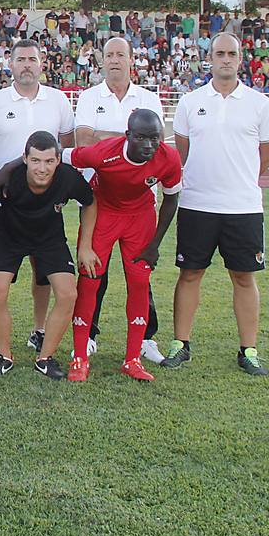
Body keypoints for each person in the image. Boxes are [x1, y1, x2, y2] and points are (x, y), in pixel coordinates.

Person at [166, 33, 269, 376]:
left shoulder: (259, 104)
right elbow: (181, 154)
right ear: (209, 59)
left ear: (240, 59)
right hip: (198, 203)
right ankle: (181, 344)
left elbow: (266, 157)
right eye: (219, 54)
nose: (226, 59)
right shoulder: (190, 103)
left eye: (232, 54)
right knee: (190, 274)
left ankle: (249, 350)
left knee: (244, 277)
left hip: (243, 206)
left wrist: (238, 180)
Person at [64, 109, 182, 382]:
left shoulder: (168, 157)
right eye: (142, 138)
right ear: (128, 135)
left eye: (156, 139)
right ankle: (80, 356)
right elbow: (60, 156)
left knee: (139, 283)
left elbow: (171, 200)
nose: (150, 145)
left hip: (140, 218)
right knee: (90, 279)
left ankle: (132, 359)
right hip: (103, 214)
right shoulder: (102, 153)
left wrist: (154, 244)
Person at [0, 130, 95, 380]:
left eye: (49, 161)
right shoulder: (7, 179)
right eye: (36, 160)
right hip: (9, 237)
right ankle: (4, 356)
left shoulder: (68, 178)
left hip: (49, 239)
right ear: (25, 158)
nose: (42, 168)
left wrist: (86, 245)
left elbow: (89, 203)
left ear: (58, 160)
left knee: (69, 294)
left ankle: (44, 358)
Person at [72, 36, 167, 364]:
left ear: (131, 60)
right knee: (95, 269)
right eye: (109, 55)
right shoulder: (88, 97)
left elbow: (157, 145)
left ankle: (146, 338)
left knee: (140, 271)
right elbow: (84, 140)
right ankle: (90, 335)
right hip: (98, 199)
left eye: (120, 55)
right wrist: (130, 141)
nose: (114, 60)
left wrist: (109, 141)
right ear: (102, 61)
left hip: (140, 201)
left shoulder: (148, 98)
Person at [0, 38, 75, 357]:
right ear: (10, 63)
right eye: (20, 59)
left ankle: (39, 329)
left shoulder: (59, 101)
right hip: (5, 202)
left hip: (46, 204)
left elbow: (67, 147)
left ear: (41, 63)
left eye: (31, 59)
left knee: (43, 269)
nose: (26, 65)